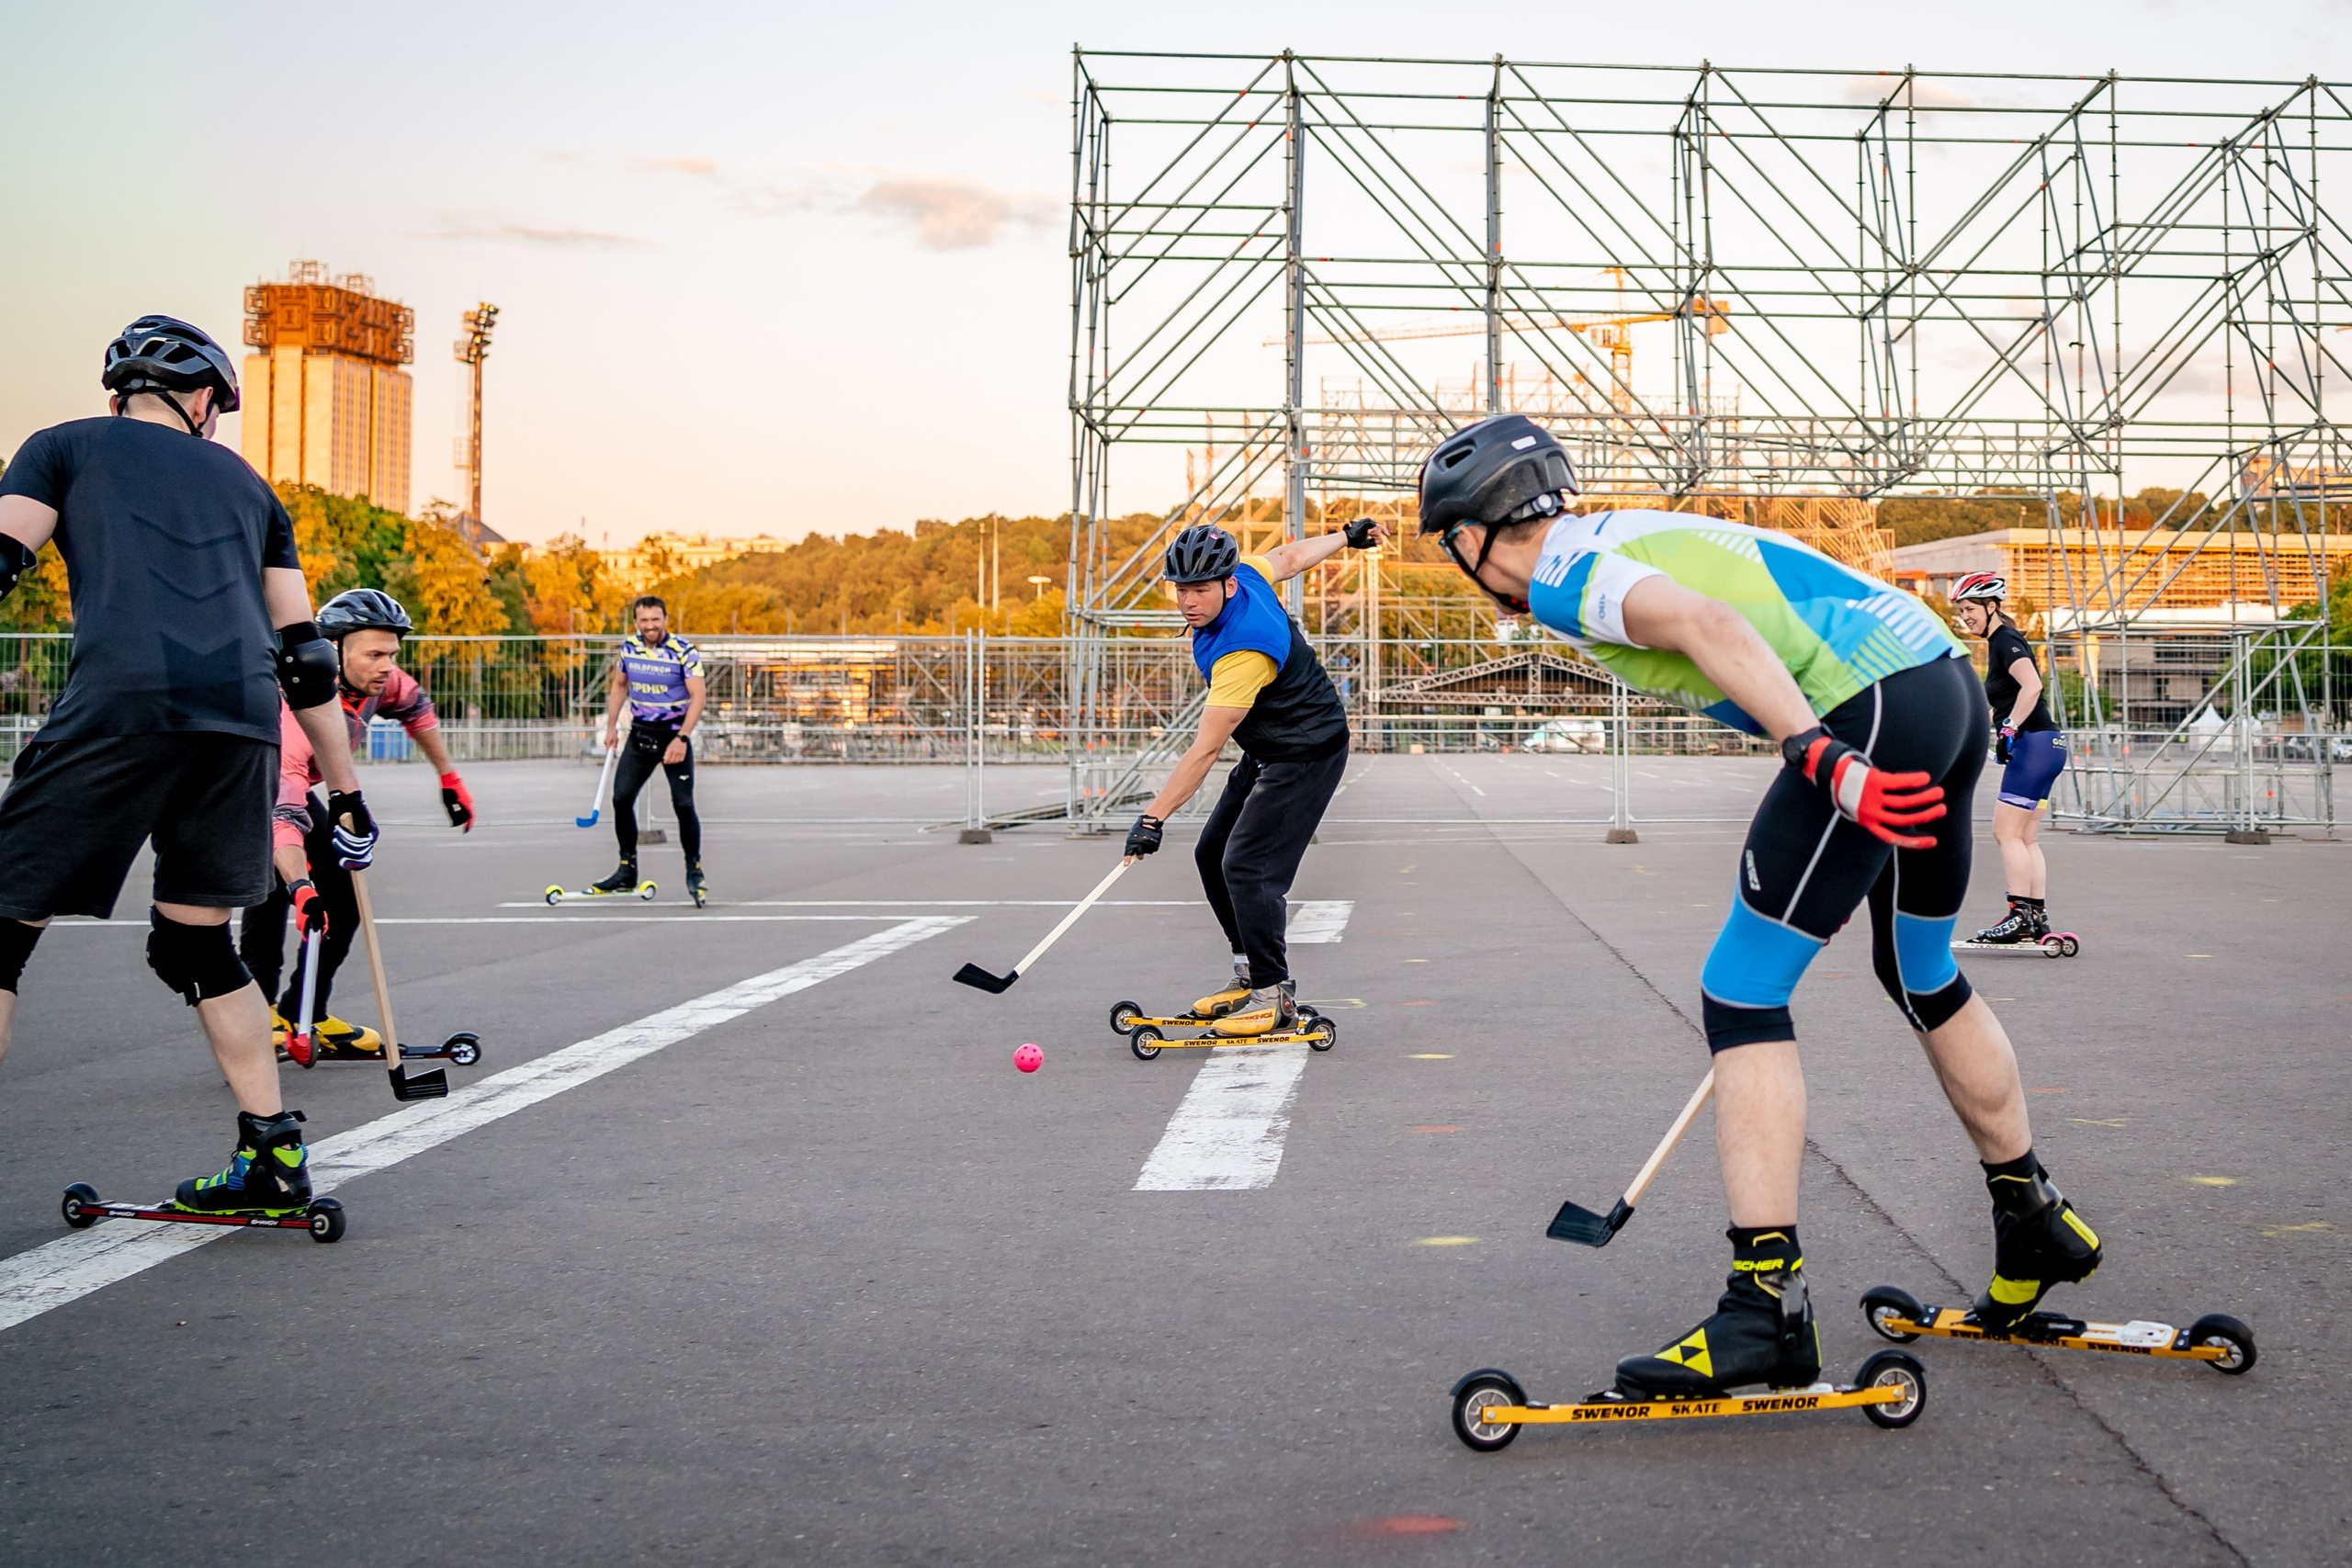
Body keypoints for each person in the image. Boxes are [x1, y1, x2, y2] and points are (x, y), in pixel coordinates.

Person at [1417, 413, 2100, 1399]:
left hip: (1864, 712)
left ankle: (1764, 1309)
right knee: (1919, 970)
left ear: (1475, 536)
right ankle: (2032, 1217)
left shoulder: (1567, 568)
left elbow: (1710, 627)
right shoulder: (1616, 531)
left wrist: (1822, 758)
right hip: (1938, 687)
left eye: (1453, 549)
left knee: (1740, 992)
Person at [0, 315, 377, 1216]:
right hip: (243, 725)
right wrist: (350, 797)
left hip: (122, 705)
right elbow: (307, 660)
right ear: (203, 397)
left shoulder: (61, 448)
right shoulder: (252, 489)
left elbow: (5, 555)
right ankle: (273, 1161)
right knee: (194, 942)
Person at [1121, 519, 1379, 1035]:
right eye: (1181, 590)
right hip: (1268, 747)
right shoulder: (1251, 576)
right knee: (1211, 852)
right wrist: (1346, 538)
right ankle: (1248, 977)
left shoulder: (1243, 650)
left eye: (1199, 590)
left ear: (1228, 584)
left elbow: (1206, 749)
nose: (1188, 602)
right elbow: (1289, 558)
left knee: (1248, 865)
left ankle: (1273, 994)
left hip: (1307, 753)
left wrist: (1153, 818)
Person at [238, 589, 475, 1056]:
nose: (387, 666)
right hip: (250, 787)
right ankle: (254, 1018)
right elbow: (283, 813)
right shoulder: (291, 710)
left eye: (392, 654)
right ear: (332, 653)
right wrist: (302, 886)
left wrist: (449, 777)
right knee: (271, 895)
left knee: (343, 903)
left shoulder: (375, 680)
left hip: (301, 788)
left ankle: (304, 1011)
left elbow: (417, 708)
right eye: (375, 655)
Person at [1950, 571, 2065, 944]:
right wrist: (1996, 722)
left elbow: (2033, 686)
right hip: (2048, 747)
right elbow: (2008, 699)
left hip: (2033, 745)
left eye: (1969, 608)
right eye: (1961, 610)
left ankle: (2019, 916)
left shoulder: (2006, 640)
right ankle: (2036, 917)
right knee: (2026, 837)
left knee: (2005, 833)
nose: (1965, 616)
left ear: (1991, 606)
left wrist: (2011, 727)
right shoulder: (2003, 641)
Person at [591, 595, 707, 901]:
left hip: (673, 736)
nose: (650, 626)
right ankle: (627, 869)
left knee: (683, 805)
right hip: (641, 734)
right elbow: (620, 685)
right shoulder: (629, 648)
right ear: (636, 622)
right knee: (621, 798)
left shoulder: (684, 651)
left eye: (655, 619)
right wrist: (612, 726)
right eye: (644, 620)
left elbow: (699, 697)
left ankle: (694, 869)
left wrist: (682, 738)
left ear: (666, 619)